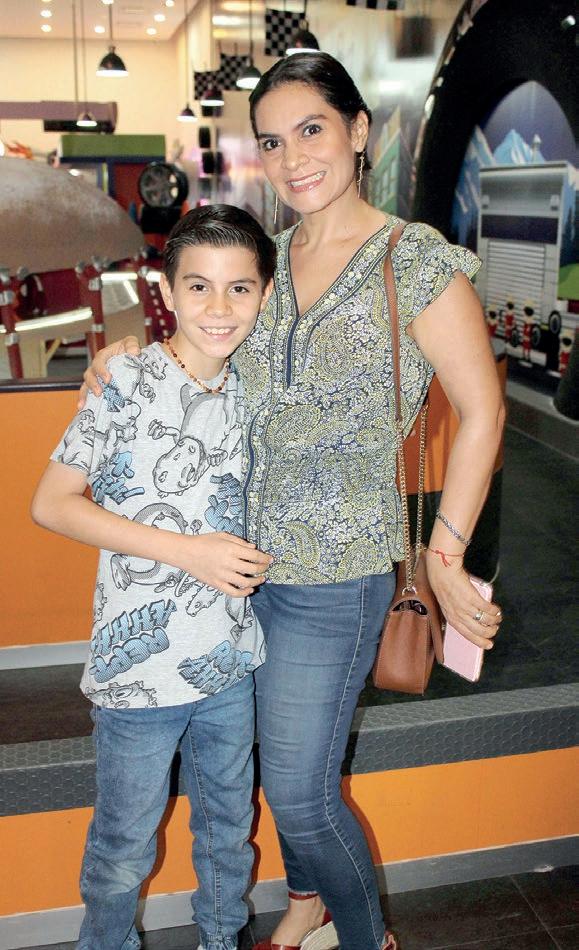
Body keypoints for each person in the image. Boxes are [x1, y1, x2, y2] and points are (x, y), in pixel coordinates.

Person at [80, 53, 505, 950]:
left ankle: (367, 937)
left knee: (303, 793)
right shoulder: (267, 258)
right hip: (229, 575)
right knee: (272, 772)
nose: (292, 158)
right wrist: (125, 353)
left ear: (357, 130)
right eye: (271, 142)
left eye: (311, 130)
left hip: (334, 577)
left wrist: (444, 553)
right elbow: (205, 342)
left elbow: (482, 410)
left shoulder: (411, 261)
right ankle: (306, 901)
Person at [31, 205, 275, 950]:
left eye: (239, 288)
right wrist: (188, 551)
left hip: (229, 662)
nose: (219, 307)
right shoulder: (125, 380)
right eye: (199, 286)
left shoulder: (255, 388)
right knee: (123, 846)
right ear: (166, 291)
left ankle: (222, 939)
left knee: (228, 832)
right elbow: (51, 504)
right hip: (136, 677)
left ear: (264, 295)